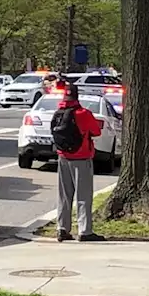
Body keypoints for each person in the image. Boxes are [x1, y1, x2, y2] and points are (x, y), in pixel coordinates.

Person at [52, 83, 105, 242]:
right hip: (81, 158)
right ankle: (85, 230)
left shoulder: (58, 113)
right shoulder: (83, 113)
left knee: (64, 195)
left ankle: (62, 228)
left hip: (63, 157)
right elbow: (96, 131)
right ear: (77, 96)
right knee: (83, 195)